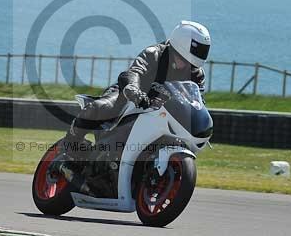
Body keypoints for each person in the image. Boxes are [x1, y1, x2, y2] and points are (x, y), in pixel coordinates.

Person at [60, 20, 211, 161]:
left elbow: (196, 101)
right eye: (184, 61)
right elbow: (135, 72)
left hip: (160, 113)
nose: (187, 66)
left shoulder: (197, 74)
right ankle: (68, 147)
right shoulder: (155, 53)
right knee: (99, 107)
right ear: (178, 47)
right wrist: (133, 89)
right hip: (130, 97)